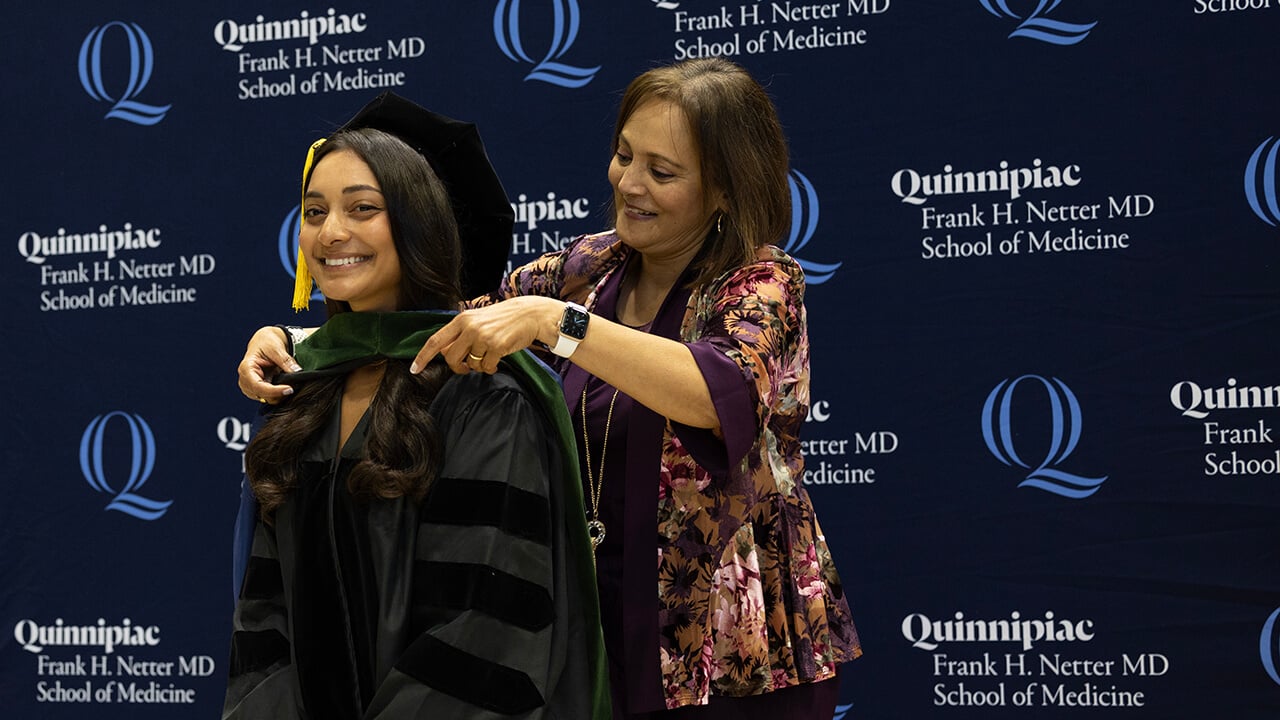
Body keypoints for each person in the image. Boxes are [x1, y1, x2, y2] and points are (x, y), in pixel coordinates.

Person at [240, 58, 861, 718]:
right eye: (624, 156)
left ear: (725, 190)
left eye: (663, 171)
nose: (631, 184)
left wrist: (556, 323)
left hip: (729, 656)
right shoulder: (586, 269)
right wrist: (303, 343)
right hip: (592, 628)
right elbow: (436, 326)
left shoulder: (765, 286)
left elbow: (716, 393)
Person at [224, 94, 608, 720]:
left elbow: (483, 626)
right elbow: (264, 621)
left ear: (419, 223)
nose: (332, 232)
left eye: (363, 209)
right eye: (314, 211)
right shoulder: (305, 397)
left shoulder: (481, 398)